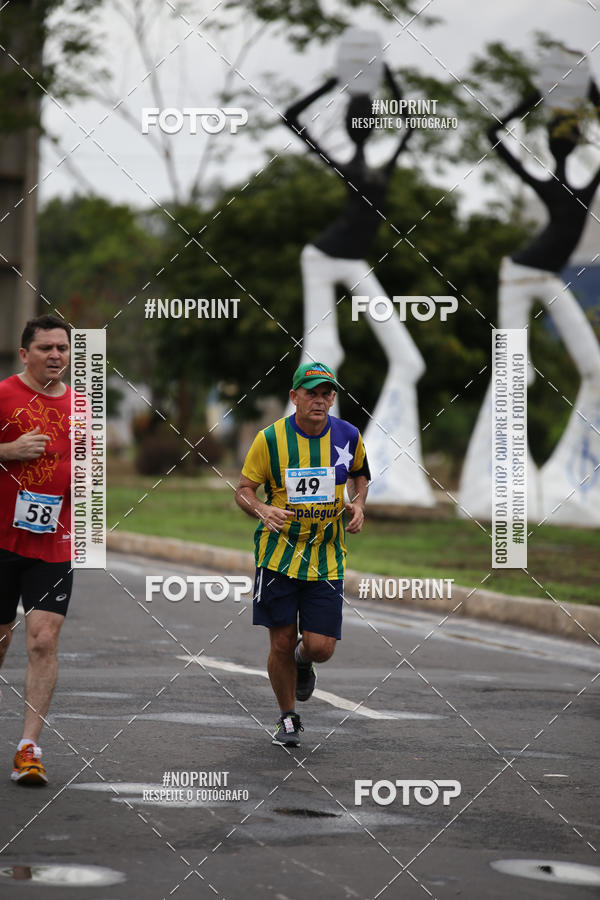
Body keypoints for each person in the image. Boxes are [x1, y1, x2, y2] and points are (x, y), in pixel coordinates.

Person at [282, 66, 433, 506]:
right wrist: (331, 83)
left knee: (408, 359)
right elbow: (292, 117)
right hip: (322, 259)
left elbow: (409, 124)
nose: (361, 125)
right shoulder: (345, 164)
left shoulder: (384, 163)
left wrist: (386, 78)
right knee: (320, 358)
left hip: (353, 261)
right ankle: (303, 474)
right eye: (356, 117)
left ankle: (385, 471)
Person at [235, 362, 370, 747]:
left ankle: (303, 659)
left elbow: (361, 473)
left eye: (327, 393)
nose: (320, 400)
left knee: (320, 647)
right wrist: (262, 509)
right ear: (294, 397)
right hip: (278, 555)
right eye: (311, 392)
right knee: (279, 641)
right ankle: (288, 716)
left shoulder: (348, 435)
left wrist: (358, 505)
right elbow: (243, 489)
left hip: (327, 555)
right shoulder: (271, 439)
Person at [0, 314, 73, 784]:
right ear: (25, 354)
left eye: (62, 349)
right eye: (46, 348)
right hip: (2, 540)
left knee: (43, 639)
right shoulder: (3, 394)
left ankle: (29, 748)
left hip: (55, 542)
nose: (55, 356)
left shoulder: (82, 406)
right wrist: (7, 451)